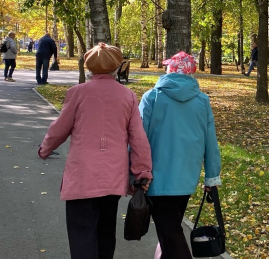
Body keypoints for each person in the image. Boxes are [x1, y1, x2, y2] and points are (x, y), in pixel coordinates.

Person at [38, 43, 152, 259]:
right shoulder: (127, 95)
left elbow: (60, 128)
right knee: (106, 231)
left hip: (82, 175)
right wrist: (143, 171)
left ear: (89, 67)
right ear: (117, 67)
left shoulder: (78, 93)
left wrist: (45, 149)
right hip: (113, 175)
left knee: (81, 232)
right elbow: (138, 137)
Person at [140, 51, 221, 259]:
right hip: (187, 177)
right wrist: (212, 176)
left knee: (170, 233)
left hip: (156, 178)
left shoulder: (152, 97)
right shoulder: (202, 101)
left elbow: (139, 138)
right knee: (170, 230)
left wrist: (136, 172)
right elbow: (210, 141)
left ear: (169, 70)